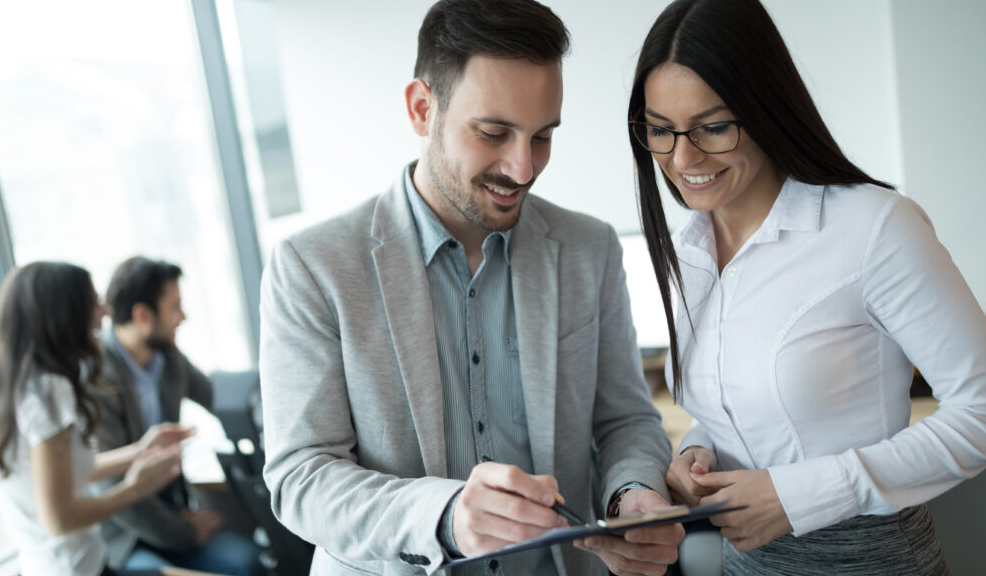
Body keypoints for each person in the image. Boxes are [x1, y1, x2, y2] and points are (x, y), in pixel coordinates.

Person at [259, 0, 684, 575]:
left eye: (542, 137)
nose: (522, 169)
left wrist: (630, 494)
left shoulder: (590, 248)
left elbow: (625, 421)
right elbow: (301, 477)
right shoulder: (313, 266)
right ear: (421, 108)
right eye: (493, 132)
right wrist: (447, 515)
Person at [626, 0, 986, 574]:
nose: (682, 157)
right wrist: (700, 448)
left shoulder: (873, 227)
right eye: (660, 131)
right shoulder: (688, 250)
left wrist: (801, 497)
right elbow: (745, 404)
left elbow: (981, 408)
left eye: (713, 127)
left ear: (767, 107)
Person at [0, 261, 204, 576]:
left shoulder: (22, 387)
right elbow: (59, 519)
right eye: (94, 303)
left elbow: (64, 475)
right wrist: (134, 488)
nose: (106, 311)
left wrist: (140, 451)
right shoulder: (48, 393)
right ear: (65, 316)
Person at [92, 257, 263, 576]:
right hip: (127, 533)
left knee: (248, 563)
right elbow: (111, 487)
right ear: (142, 315)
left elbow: (218, 398)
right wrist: (181, 532)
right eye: (175, 307)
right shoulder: (99, 379)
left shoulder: (168, 358)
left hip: (173, 512)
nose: (182, 317)